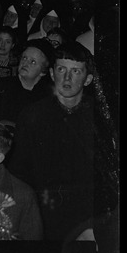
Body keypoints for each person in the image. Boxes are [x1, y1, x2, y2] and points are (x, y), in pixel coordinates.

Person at [8, 41, 97, 241]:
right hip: (43, 212)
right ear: (51, 73)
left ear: (88, 79)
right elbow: (19, 172)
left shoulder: (99, 117)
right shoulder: (33, 114)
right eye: (61, 69)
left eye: (76, 71)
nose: (67, 78)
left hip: (88, 216)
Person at [0, 39, 54, 127]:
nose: (25, 63)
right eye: (24, 58)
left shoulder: (47, 97)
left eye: (33, 62)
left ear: (43, 71)